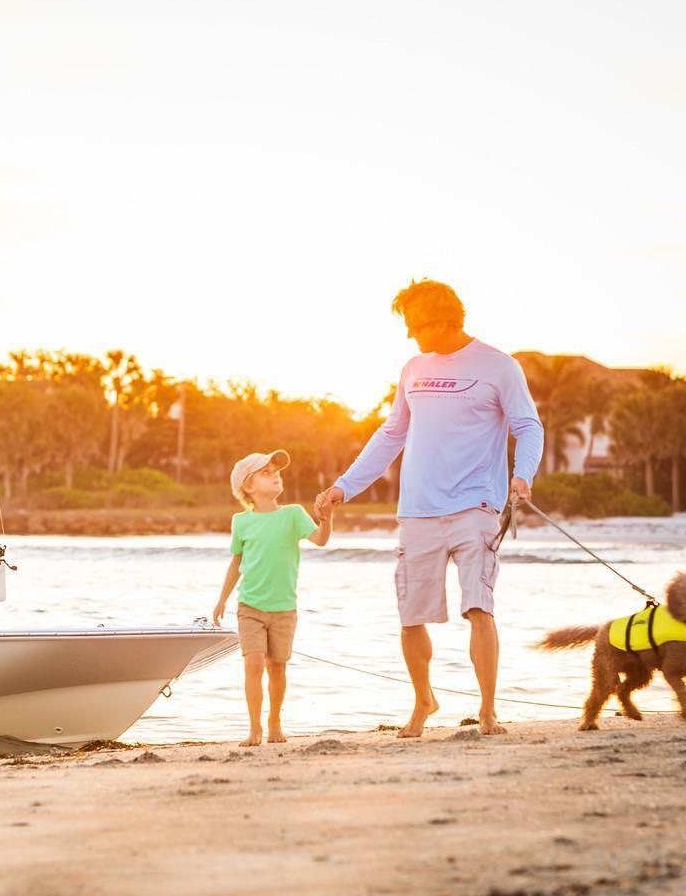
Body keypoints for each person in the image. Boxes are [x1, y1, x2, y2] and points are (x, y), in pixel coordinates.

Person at [314, 280, 541, 738]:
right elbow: (391, 434)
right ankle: (423, 701)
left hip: (476, 504)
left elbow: (527, 425)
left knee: (479, 605)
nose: (411, 335)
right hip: (417, 509)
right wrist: (344, 487)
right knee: (411, 614)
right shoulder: (413, 368)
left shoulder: (499, 367)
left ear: (443, 320)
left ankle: (488, 711)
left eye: (416, 326)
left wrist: (523, 474)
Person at [212, 449, 332, 746]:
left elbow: (319, 540)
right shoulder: (241, 521)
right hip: (249, 606)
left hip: (283, 608)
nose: (275, 474)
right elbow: (236, 563)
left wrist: (326, 519)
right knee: (253, 663)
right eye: (265, 472)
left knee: (277, 667)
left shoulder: (293, 515)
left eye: (276, 471)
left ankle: (275, 723)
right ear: (248, 487)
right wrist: (221, 600)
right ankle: (254, 729)